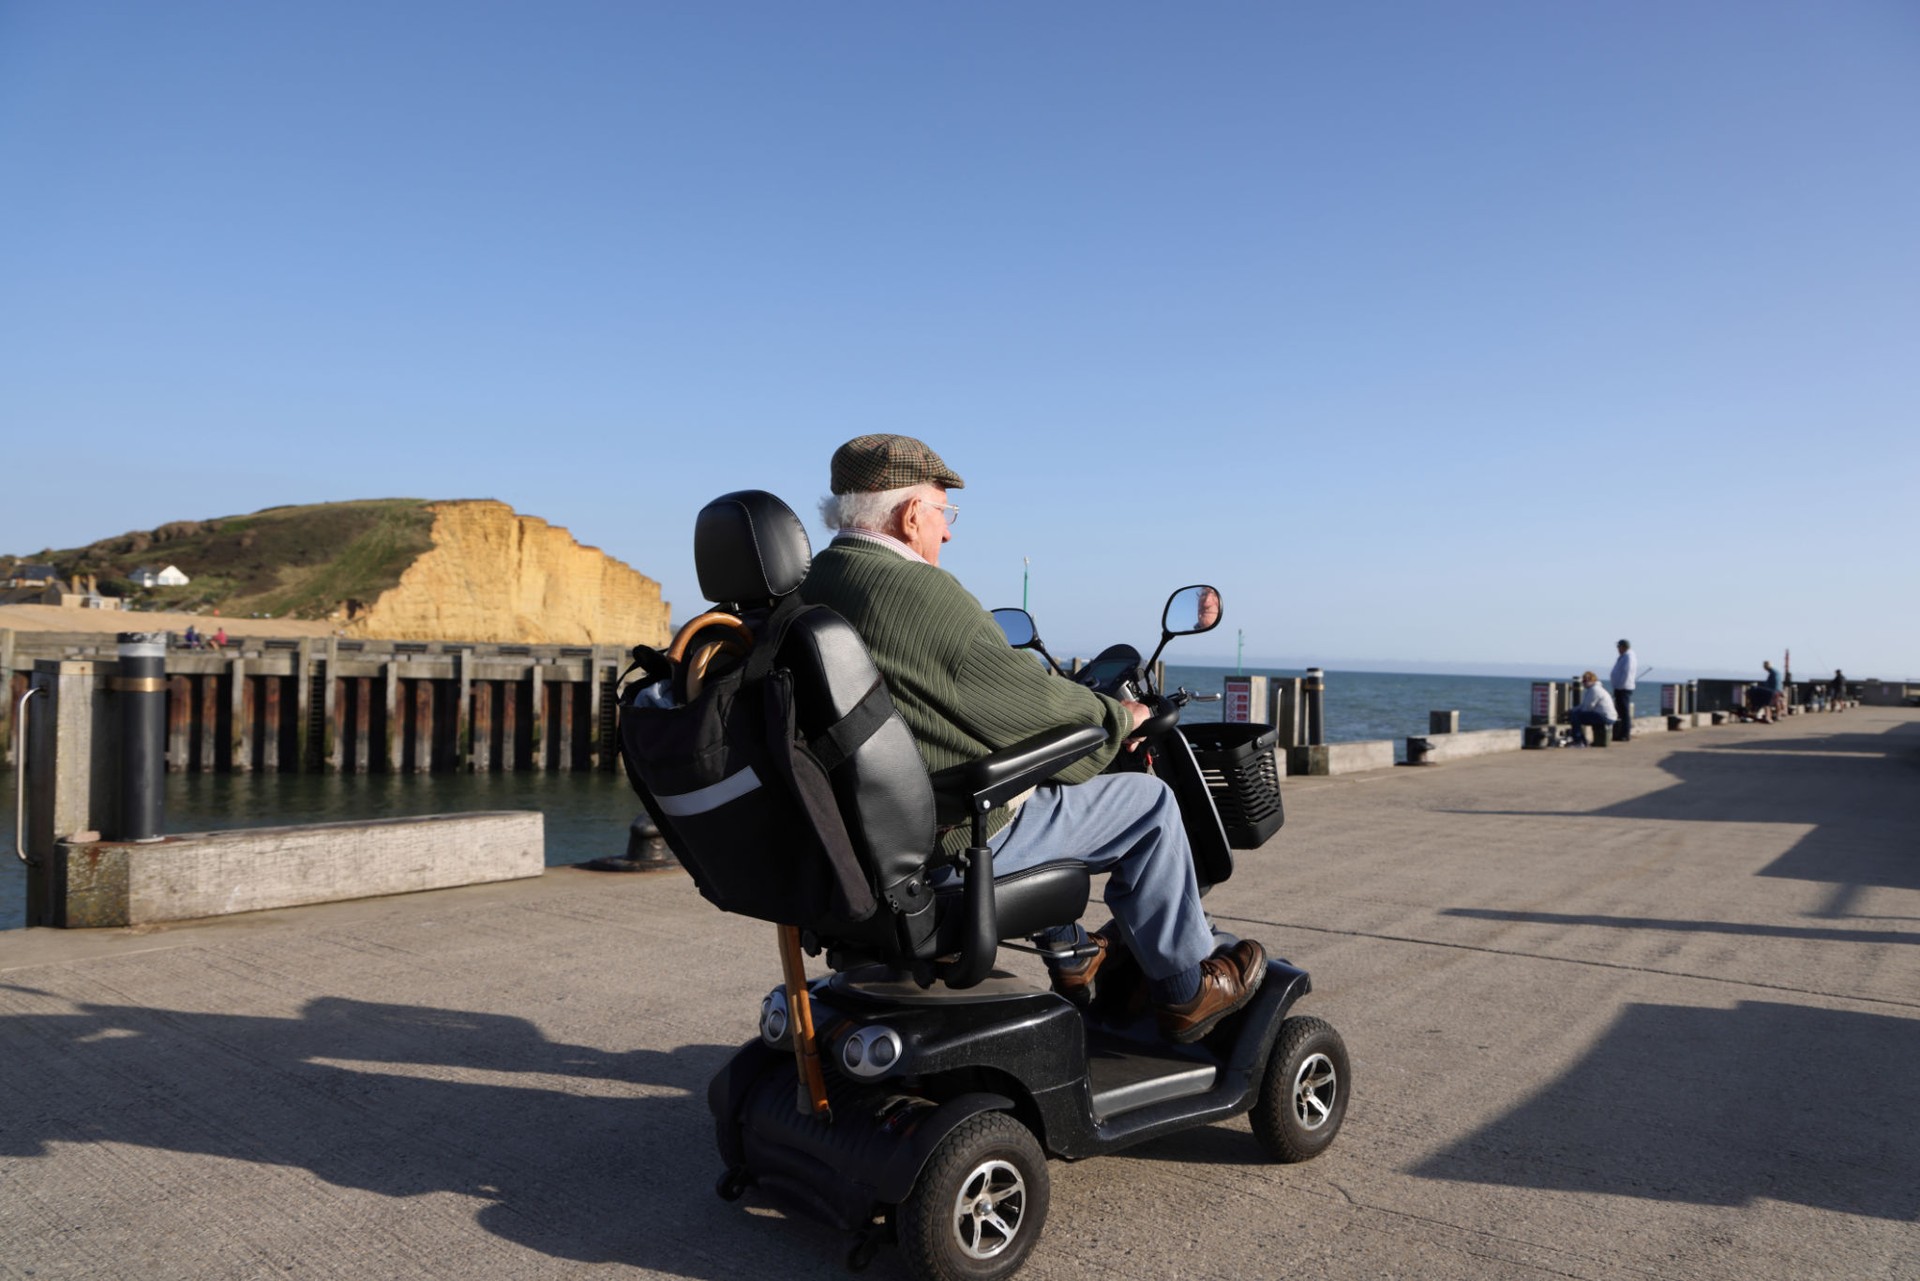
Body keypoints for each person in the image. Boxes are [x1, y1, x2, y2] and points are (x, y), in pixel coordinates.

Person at [802, 434, 1266, 1044]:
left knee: (1040, 771)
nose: (947, 534)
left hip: (863, 840)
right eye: (945, 514)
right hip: (950, 839)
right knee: (1148, 804)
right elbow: (1035, 704)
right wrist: (1119, 717)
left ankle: (1073, 955)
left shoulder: (814, 586)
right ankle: (1186, 989)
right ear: (911, 513)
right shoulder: (918, 594)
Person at [1567, 671, 1617, 746]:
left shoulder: (1594, 690)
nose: (1583, 683)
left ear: (1591, 680)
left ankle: (1579, 741)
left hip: (1605, 716)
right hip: (1609, 716)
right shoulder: (1595, 689)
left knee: (1576, 717)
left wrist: (1574, 712)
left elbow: (1587, 707)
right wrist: (1572, 710)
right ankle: (1582, 741)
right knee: (1576, 714)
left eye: (1584, 681)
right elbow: (1583, 705)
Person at [1610, 639, 1638, 741]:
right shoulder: (1625, 656)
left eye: (1619, 647)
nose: (1618, 649)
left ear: (1623, 647)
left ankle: (1625, 734)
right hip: (1620, 687)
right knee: (1620, 711)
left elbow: (1626, 673)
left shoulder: (1628, 657)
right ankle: (1620, 732)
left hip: (1623, 688)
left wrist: (1620, 685)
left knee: (1624, 712)